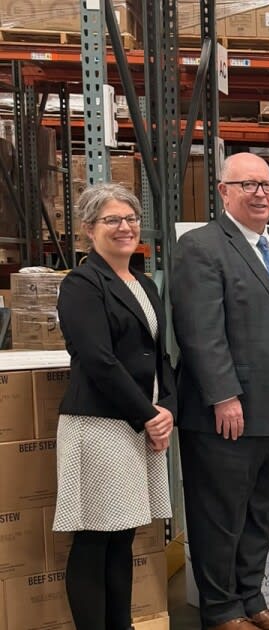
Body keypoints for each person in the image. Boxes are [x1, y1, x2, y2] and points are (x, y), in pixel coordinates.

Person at [173, 152, 269, 630]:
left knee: (259, 513)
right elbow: (200, 331)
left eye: (266, 185)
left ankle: (252, 601)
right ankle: (221, 611)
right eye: (248, 185)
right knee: (220, 516)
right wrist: (223, 395)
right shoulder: (201, 247)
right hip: (230, 414)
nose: (261, 193)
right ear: (224, 191)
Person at [52, 183, 174, 630]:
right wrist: (149, 415)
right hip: (99, 427)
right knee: (94, 539)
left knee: (122, 536)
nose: (125, 227)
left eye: (131, 218)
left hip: (140, 423)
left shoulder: (144, 283)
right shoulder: (81, 284)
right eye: (112, 220)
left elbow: (160, 355)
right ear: (89, 229)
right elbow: (98, 359)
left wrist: (168, 408)